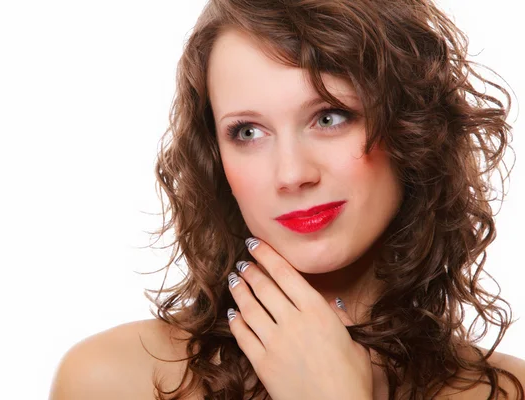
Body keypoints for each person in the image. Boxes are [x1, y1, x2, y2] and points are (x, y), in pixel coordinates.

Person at [49, 0, 525, 399]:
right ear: (215, 161)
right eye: (248, 131)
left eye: (329, 117)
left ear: (412, 127)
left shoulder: (507, 390)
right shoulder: (117, 379)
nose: (292, 174)